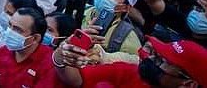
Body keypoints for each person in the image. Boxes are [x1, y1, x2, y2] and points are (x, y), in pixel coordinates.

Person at [54, 36, 207, 87]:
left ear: (189, 84)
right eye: (155, 54)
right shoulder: (130, 72)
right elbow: (77, 80)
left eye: (162, 61)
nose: (151, 59)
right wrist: (61, 58)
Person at [0, 7, 64, 87]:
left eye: (18, 30)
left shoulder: (49, 64)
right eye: (10, 25)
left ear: (35, 38)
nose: (9, 32)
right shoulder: (1, 53)